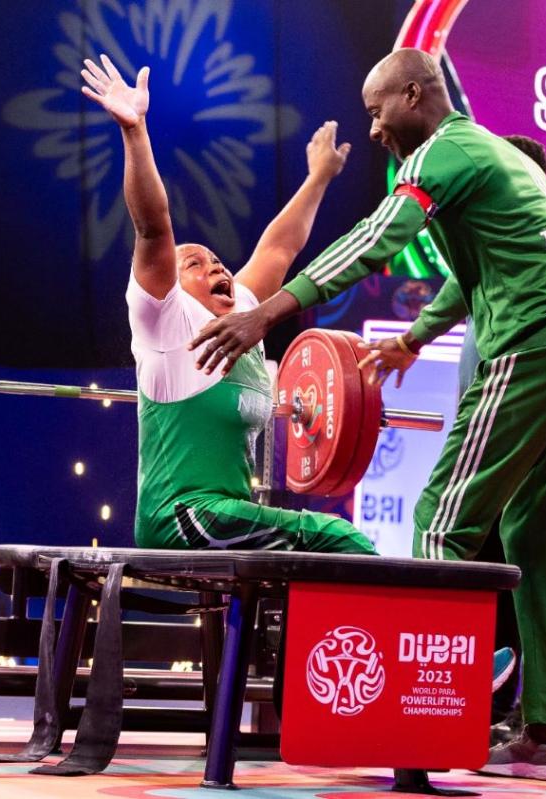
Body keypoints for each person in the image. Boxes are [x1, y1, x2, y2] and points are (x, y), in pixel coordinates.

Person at [189, 48, 546, 781]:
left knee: (443, 515)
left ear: (415, 94)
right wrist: (414, 339)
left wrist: (270, 312)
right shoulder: (497, 158)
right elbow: (472, 273)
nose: (377, 128)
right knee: (537, 531)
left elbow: (375, 239)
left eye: (378, 110)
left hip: (538, 340)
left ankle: (427, 726)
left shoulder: (443, 152)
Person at [78, 54, 375, 554]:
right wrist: (135, 133)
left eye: (216, 260)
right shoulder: (165, 319)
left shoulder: (244, 315)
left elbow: (280, 247)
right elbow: (153, 224)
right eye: (194, 264)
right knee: (344, 541)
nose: (214, 267)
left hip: (226, 516)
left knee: (308, 565)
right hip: (182, 515)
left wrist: (320, 175)